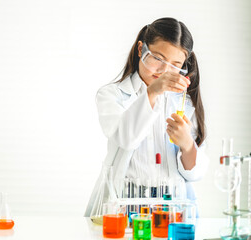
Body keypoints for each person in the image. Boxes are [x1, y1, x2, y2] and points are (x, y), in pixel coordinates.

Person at [85, 17, 209, 217]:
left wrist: (187, 145)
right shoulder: (111, 95)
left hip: (173, 208)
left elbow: (195, 173)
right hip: (125, 206)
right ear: (141, 49)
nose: (165, 71)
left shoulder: (184, 102)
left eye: (176, 64)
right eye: (158, 59)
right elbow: (126, 139)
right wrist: (152, 92)